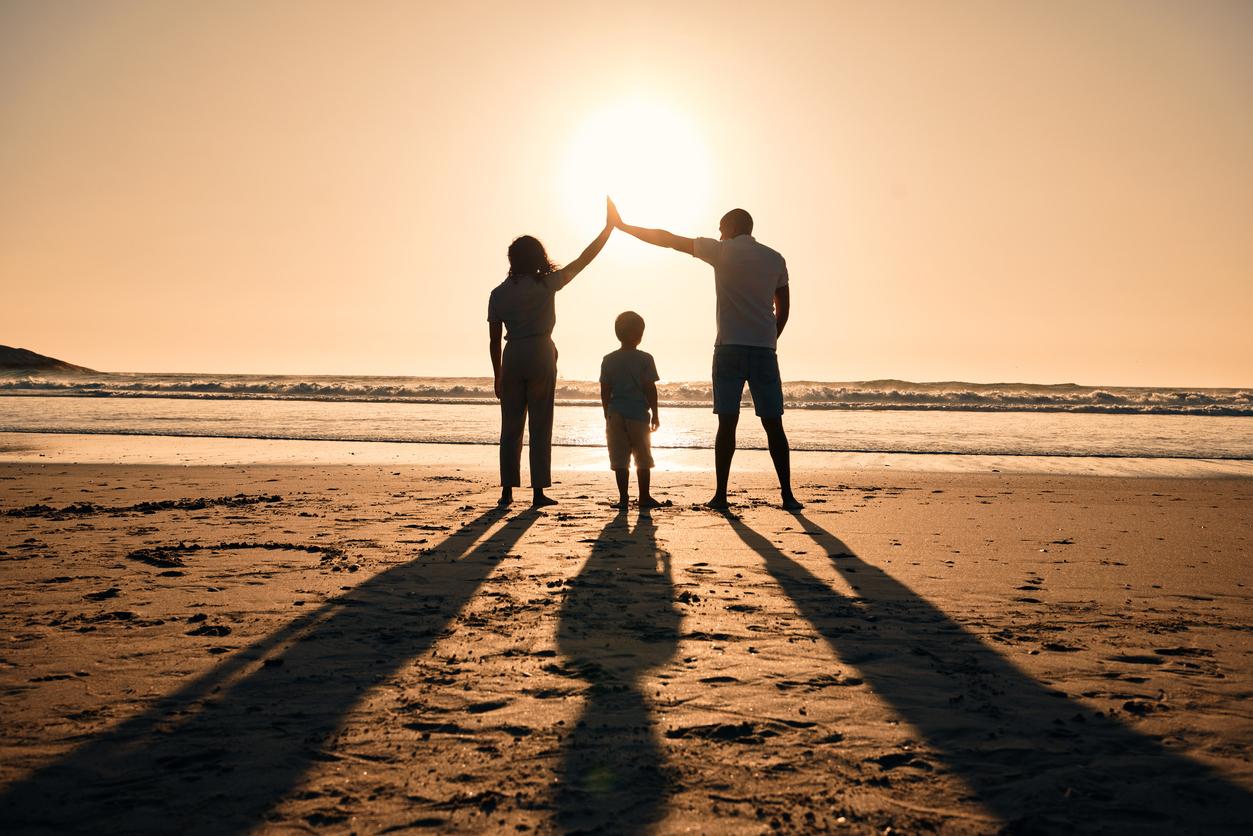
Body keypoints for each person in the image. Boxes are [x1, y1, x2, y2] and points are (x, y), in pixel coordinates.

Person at [610, 201, 802, 510]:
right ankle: (788, 495)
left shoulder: (720, 251)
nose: (719, 234)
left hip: (728, 349)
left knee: (727, 423)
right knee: (773, 424)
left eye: (721, 229)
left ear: (731, 228)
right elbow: (784, 308)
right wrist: (769, 338)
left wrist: (625, 227)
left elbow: (668, 239)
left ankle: (721, 495)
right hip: (764, 350)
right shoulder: (775, 258)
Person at [488, 199, 615, 507]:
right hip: (541, 351)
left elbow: (493, 340)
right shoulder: (546, 284)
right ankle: (537, 492)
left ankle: (507, 490)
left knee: (511, 426)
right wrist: (608, 229)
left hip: (513, 352)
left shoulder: (499, 293)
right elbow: (583, 261)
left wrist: (497, 374)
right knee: (541, 423)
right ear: (538, 257)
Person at [599, 311, 668, 510]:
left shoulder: (609, 359)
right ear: (638, 334)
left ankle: (623, 498)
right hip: (638, 414)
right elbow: (650, 388)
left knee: (619, 457)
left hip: (616, 413)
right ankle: (644, 496)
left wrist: (607, 412)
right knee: (642, 456)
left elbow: (605, 389)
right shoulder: (645, 359)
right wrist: (655, 413)